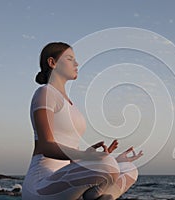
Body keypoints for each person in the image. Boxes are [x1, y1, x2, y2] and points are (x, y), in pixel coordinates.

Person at [22, 42, 143, 200]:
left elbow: (72, 155)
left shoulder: (71, 104)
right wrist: (87, 156)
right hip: (42, 183)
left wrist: (105, 157)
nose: (76, 63)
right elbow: (46, 146)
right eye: (70, 59)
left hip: (67, 178)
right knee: (108, 166)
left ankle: (97, 196)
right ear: (52, 63)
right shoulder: (45, 93)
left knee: (128, 169)